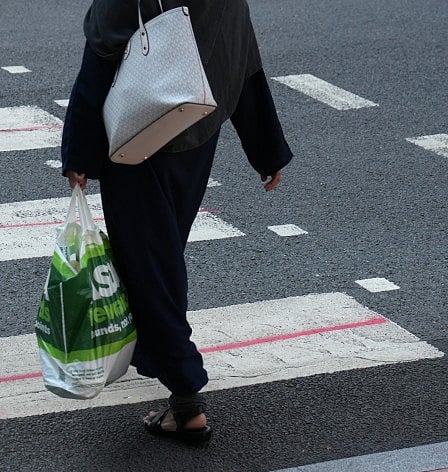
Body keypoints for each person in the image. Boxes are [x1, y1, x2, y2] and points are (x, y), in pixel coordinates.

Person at [60, 0, 292, 444]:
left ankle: (186, 398)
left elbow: (103, 51)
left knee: (150, 265)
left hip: (139, 133)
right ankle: (167, 369)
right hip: (194, 123)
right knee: (161, 257)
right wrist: (267, 147)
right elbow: (238, 50)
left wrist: (78, 152)